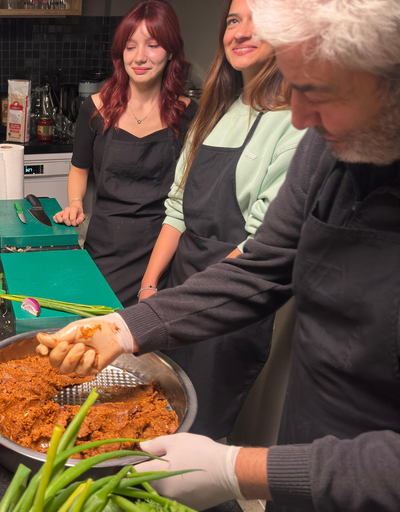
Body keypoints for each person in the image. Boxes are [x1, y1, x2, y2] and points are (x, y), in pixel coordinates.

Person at [36, 0, 400, 509]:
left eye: (316, 91)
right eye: (293, 87)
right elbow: (262, 267)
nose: (297, 117)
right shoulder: (324, 148)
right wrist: (122, 328)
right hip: (312, 432)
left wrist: (237, 469)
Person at [134, 0, 305, 440]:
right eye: (233, 21)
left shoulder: (295, 123)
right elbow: (176, 209)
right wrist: (151, 289)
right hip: (178, 287)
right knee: (157, 416)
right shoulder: (214, 113)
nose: (240, 32)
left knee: (196, 433)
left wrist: (186, 304)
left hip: (230, 304)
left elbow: (260, 243)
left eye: (258, 20)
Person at [52, 0, 198, 307]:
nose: (140, 57)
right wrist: (75, 204)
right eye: (131, 47)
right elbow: (79, 168)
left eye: (153, 45)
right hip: (104, 246)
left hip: (160, 251)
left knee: (142, 347)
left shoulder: (189, 115)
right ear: (121, 54)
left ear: (170, 50)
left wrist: (152, 279)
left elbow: (187, 197)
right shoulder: (95, 108)